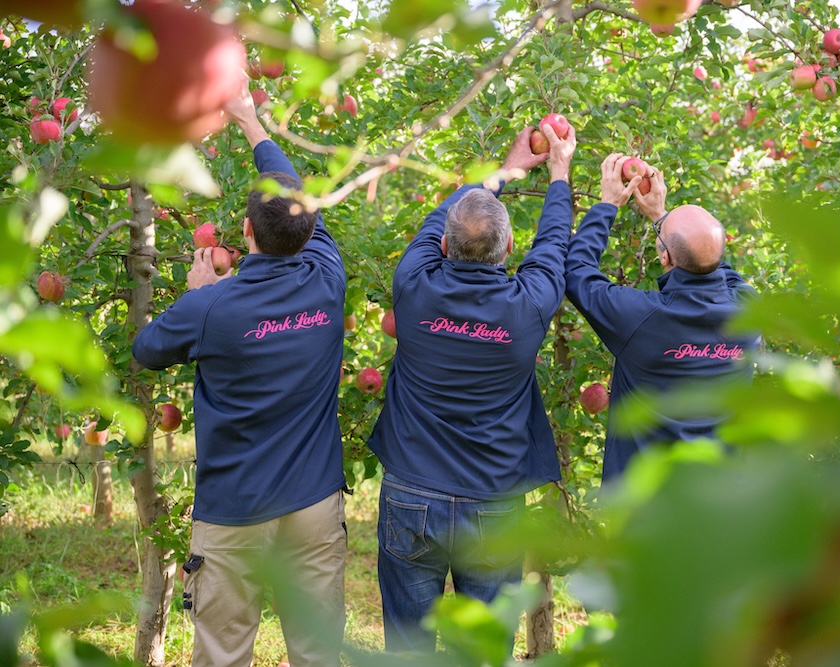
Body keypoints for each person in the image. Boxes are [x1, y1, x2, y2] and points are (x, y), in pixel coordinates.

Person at [131, 76, 348, 667]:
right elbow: (300, 197)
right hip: (313, 503)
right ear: (309, 232)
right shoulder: (329, 279)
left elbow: (147, 350)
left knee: (223, 653)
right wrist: (253, 122)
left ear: (246, 232)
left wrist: (195, 292)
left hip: (234, 512)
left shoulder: (210, 308)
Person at [367, 122, 577, 653]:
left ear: (441, 246)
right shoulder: (527, 308)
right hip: (493, 503)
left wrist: (506, 168)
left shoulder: (412, 287)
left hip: (412, 494)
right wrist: (558, 173)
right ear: (508, 247)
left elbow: (445, 215)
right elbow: (553, 246)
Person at [565, 154, 761, 486]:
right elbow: (714, 265)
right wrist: (662, 216)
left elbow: (577, 273)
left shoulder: (641, 318)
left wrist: (607, 205)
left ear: (664, 257)